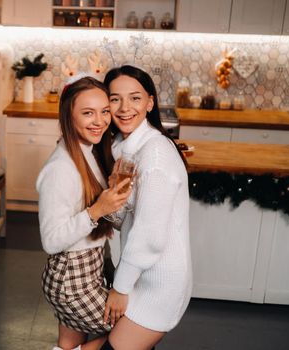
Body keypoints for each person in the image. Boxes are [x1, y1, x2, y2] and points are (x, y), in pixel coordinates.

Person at [99, 65, 192, 350]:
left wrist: (120, 288)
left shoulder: (155, 155)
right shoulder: (121, 146)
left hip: (159, 280)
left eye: (135, 98)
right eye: (115, 99)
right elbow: (122, 216)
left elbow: (149, 235)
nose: (125, 108)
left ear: (150, 102)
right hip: (136, 270)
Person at [36, 76, 132, 350]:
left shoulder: (88, 150)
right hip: (71, 281)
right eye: (88, 113)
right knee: (136, 329)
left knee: (68, 343)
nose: (100, 121)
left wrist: (109, 193)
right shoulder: (60, 169)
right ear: (68, 115)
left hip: (87, 270)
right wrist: (96, 210)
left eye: (104, 111)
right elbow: (51, 241)